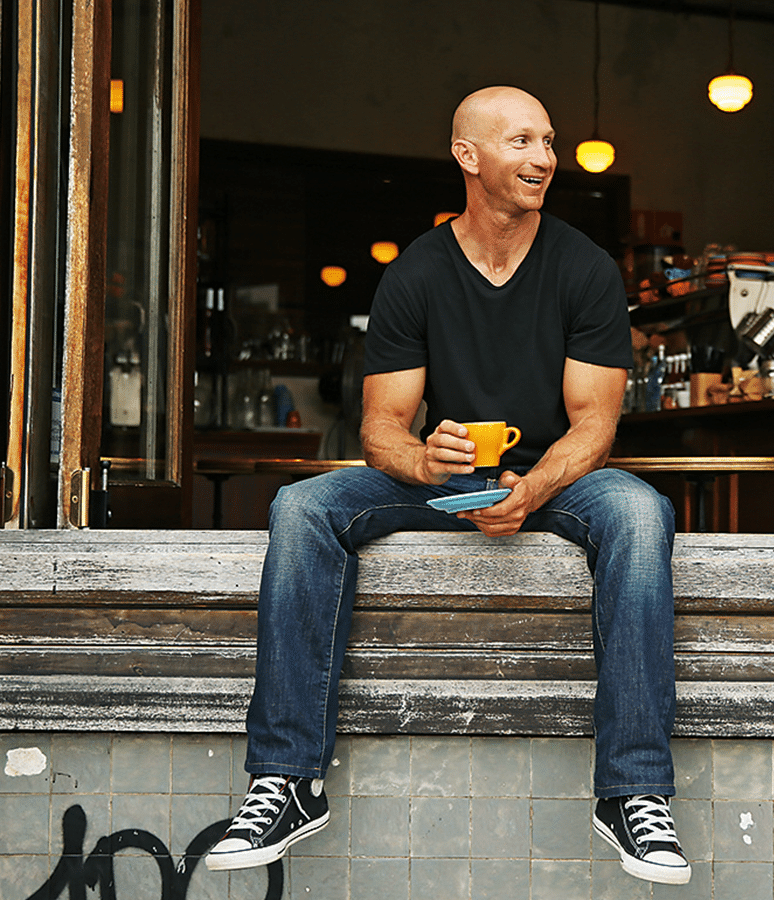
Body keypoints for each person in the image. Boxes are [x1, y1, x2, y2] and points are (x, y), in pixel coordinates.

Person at [205, 85, 690, 886]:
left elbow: (596, 424)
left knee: (640, 512)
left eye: (549, 142)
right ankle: (287, 780)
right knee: (302, 506)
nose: (544, 159)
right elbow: (381, 428)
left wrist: (532, 489)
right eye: (522, 142)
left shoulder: (584, 268)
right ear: (468, 156)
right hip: (447, 480)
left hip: (556, 479)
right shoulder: (415, 274)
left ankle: (632, 793)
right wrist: (424, 462)